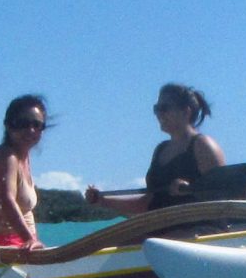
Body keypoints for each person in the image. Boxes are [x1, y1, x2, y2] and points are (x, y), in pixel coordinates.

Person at [87, 83, 225, 214]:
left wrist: (191, 190)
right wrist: (103, 201)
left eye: (164, 108)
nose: (159, 114)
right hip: (162, 229)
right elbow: (147, 203)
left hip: (200, 231)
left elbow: (224, 196)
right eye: (156, 109)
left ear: (185, 112)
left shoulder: (203, 145)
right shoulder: (160, 150)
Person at [0, 94, 50, 252]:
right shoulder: (6, 156)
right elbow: (7, 200)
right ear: (9, 125)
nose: (30, 130)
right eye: (23, 124)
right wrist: (30, 239)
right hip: (4, 247)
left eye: (37, 125)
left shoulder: (23, 158)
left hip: (22, 244)